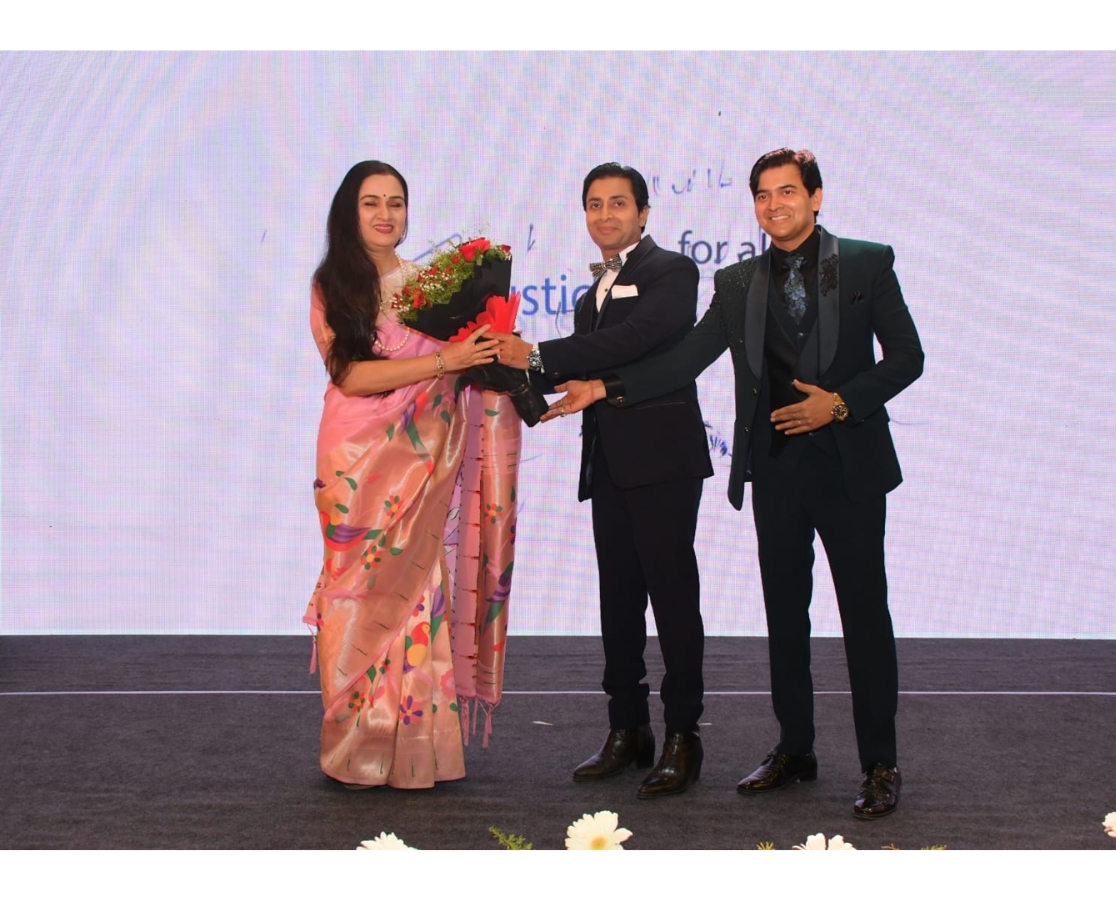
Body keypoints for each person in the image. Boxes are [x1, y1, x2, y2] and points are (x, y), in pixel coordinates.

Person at [555, 149, 923, 818]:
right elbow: (686, 360)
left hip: (851, 470)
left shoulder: (869, 263)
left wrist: (837, 403)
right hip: (776, 470)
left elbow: (907, 358)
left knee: (865, 619)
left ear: (816, 197)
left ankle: (880, 764)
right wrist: (605, 387)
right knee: (785, 619)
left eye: (788, 191)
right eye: (763, 194)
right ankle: (795, 749)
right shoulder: (738, 282)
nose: (774, 204)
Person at [493, 163, 712, 798]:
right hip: (610, 466)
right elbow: (573, 374)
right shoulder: (590, 296)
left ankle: (682, 736)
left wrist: (533, 354)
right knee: (618, 603)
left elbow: (639, 339)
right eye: (594, 205)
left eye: (619, 203)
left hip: (664, 463)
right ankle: (627, 729)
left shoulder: (672, 271)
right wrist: (498, 371)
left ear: (644, 213)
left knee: (673, 601)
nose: (606, 215)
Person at [302, 161, 502, 789]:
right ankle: (355, 745)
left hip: (421, 463)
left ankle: (415, 744)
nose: (387, 214)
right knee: (356, 592)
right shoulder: (333, 282)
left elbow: (460, 367)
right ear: (349, 211)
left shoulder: (431, 287)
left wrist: (482, 357)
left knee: (419, 596)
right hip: (356, 463)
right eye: (372, 203)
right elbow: (351, 376)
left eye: (397, 202)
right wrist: (444, 358)